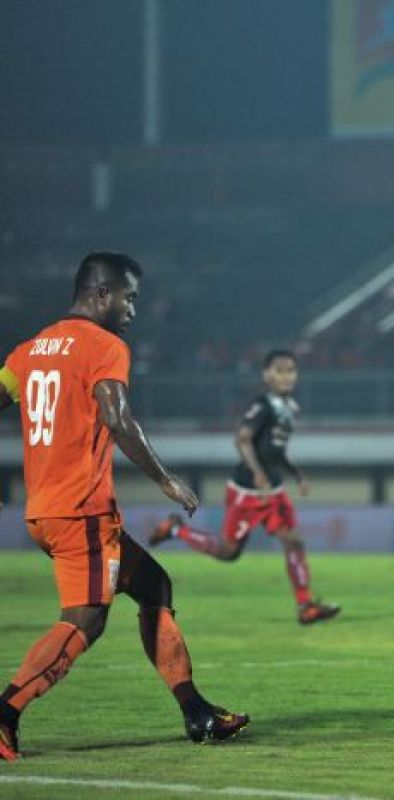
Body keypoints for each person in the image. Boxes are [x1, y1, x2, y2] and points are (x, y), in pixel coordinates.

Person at [0, 252, 249, 762]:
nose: (133, 309)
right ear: (100, 295)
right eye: (128, 297)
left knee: (153, 584)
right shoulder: (103, 345)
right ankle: (5, 712)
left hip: (47, 510)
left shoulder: (29, 350)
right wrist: (166, 480)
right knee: (86, 621)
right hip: (80, 511)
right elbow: (117, 416)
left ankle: (195, 710)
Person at [150, 350, 339, 626]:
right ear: (266, 375)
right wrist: (258, 473)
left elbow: (275, 451)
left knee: (294, 541)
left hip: (273, 492)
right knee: (229, 553)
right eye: (280, 370)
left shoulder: (289, 408)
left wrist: (296, 474)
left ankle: (305, 606)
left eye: (291, 370)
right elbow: (243, 439)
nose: (286, 375)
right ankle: (176, 529)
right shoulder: (262, 405)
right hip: (247, 493)